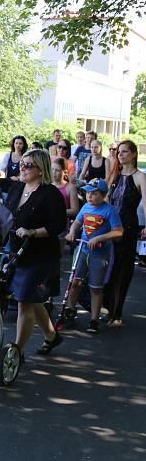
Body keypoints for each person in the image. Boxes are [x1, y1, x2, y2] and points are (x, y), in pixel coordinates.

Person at [5, 148, 67, 356]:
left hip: (41, 256)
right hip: (18, 253)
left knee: (24, 302)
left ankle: (16, 352)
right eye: (22, 164)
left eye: (28, 165)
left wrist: (33, 232)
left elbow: (58, 225)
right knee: (32, 298)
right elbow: (6, 215)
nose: (23, 168)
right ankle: (52, 336)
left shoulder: (50, 194)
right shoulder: (16, 189)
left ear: (41, 170)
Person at [62, 178, 123, 333]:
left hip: (100, 254)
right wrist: (72, 232)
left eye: (94, 193)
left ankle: (94, 320)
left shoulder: (109, 210)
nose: (89, 196)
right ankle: (69, 310)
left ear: (103, 195)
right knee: (75, 282)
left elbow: (118, 232)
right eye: (88, 193)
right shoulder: (86, 207)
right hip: (83, 250)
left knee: (95, 288)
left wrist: (99, 238)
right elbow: (77, 222)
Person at [103, 140, 146, 326]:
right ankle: (108, 307)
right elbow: (105, 200)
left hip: (128, 227)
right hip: (110, 226)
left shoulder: (139, 177)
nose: (120, 154)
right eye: (119, 152)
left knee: (123, 269)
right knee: (108, 267)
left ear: (134, 154)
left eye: (125, 151)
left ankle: (116, 313)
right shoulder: (116, 175)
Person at [52, 158, 80, 245]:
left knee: (58, 255)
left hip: (61, 226)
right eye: (52, 169)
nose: (54, 172)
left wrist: (56, 212)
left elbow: (75, 210)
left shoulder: (70, 187)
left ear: (64, 172)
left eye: (57, 170)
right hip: (45, 224)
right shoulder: (46, 184)